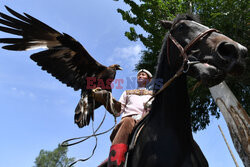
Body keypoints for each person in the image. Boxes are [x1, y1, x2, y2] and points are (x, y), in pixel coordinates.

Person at [93, 69, 153, 167]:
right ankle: (115, 161)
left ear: (149, 80)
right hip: (128, 122)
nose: (140, 76)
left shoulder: (153, 94)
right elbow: (118, 110)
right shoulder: (127, 92)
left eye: (143, 75)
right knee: (127, 121)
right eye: (139, 75)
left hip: (147, 121)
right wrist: (106, 98)